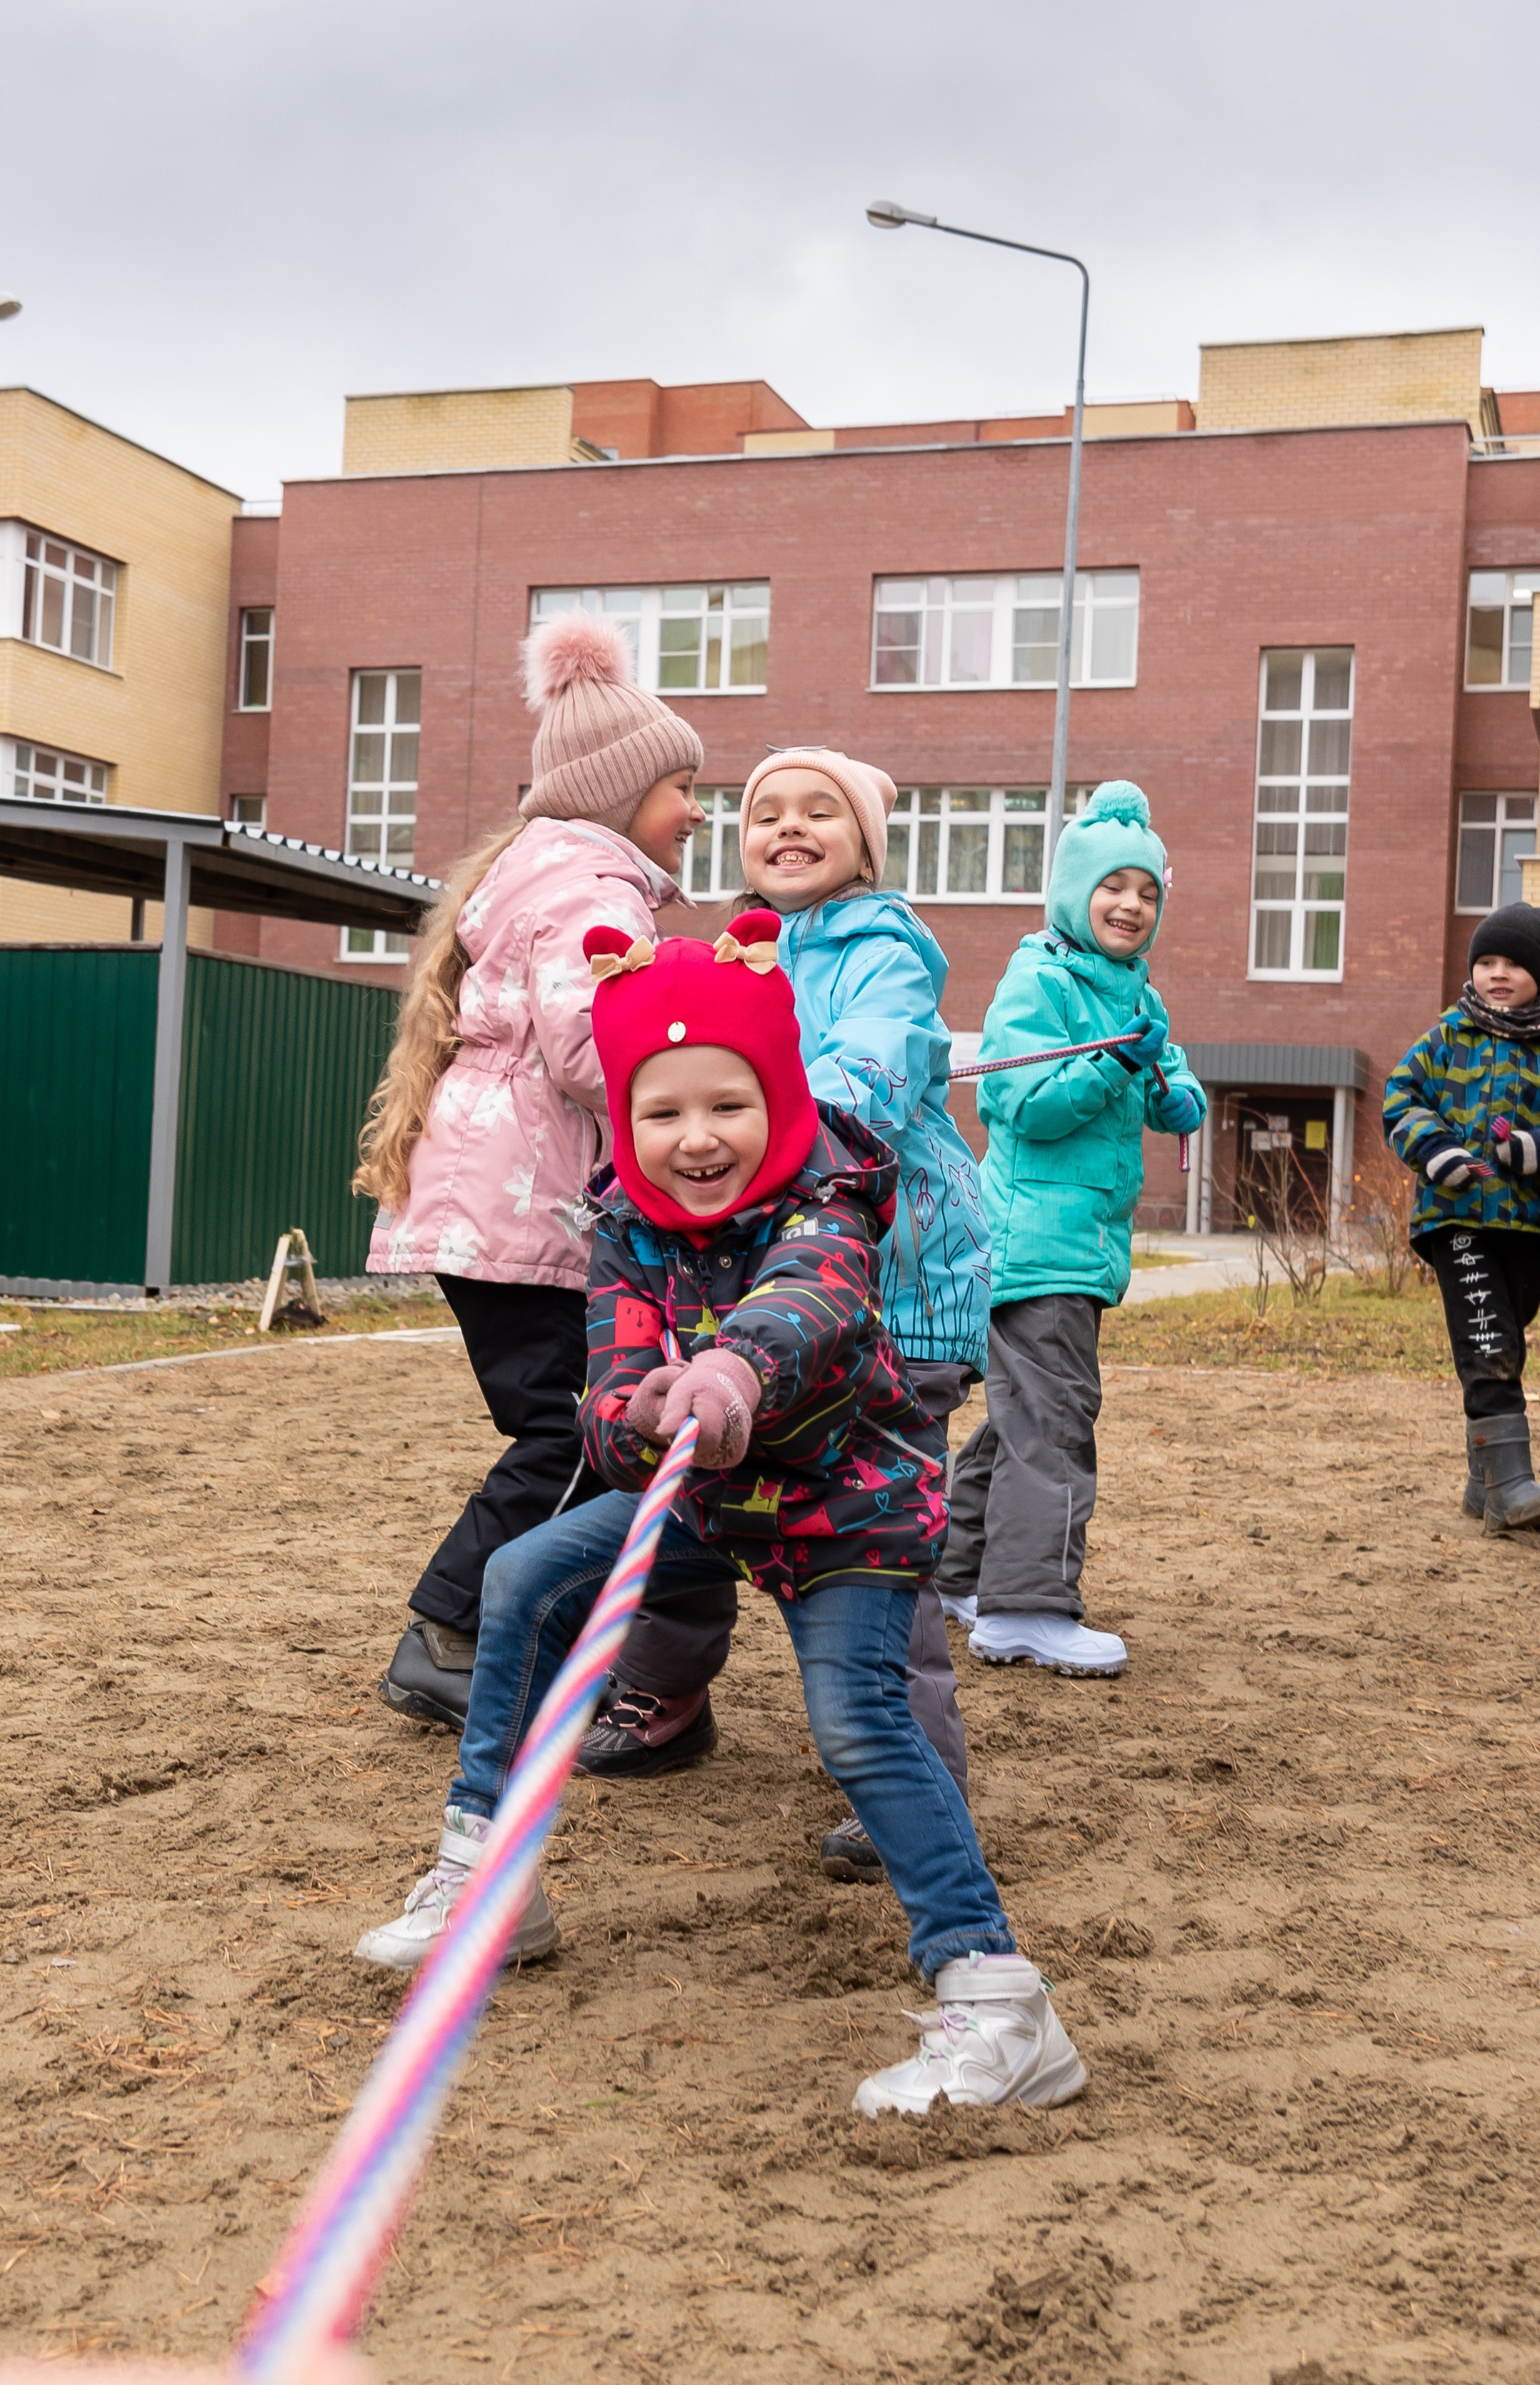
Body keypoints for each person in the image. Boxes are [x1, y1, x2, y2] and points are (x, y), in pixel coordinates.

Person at [353, 912, 1086, 2117]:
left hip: (846, 1507)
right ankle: (491, 1882)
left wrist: (734, 1372)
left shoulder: (827, 1202)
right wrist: (638, 1411)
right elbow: (604, 1390)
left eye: (728, 1103)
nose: (697, 1137)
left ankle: (1001, 2002)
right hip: (711, 1498)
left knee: (857, 1720)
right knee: (526, 1576)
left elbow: (808, 1305)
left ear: (780, 1096)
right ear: (626, 1119)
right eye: (663, 1111)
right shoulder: (627, 1230)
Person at [359, 609, 734, 1756]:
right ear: (621, 793)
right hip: (522, 1207)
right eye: (681, 786)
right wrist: (708, 1068)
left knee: (565, 1428)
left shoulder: (549, 873)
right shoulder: (592, 890)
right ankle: (449, 1634)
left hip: (496, 1199)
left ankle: (499, 1633)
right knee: (575, 1435)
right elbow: (587, 1050)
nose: (698, 808)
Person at [732, 746, 989, 1883]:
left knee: (883, 1553)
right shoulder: (754, 952)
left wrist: (758, 1125)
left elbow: (864, 1083)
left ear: (867, 846)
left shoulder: (885, 950)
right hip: (807, 1292)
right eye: (766, 812)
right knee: (800, 1529)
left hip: (902, 1297)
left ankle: (916, 1777)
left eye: (819, 811)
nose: (789, 827)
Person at [938, 781, 1204, 1677]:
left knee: (1019, 1417)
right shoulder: (1040, 979)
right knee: (1053, 1420)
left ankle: (954, 1572)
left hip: (1079, 1247)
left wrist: (1169, 1088)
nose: (1130, 905)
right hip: (1037, 1243)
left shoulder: (1132, 990)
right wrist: (1111, 1067)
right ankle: (1026, 1607)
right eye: (1112, 887)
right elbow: (1020, 1103)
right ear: (1072, 891)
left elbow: (1173, 1078)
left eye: (1147, 892)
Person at [1382, 899, 1540, 1534]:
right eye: (1487, 961)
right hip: (1457, 1217)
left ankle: (1485, 1484)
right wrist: (1435, 1149)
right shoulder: (1447, 1036)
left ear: (1539, 976)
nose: (1498, 973)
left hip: (1529, 1224)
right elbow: (1400, 1098)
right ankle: (1512, 1486)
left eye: (1514, 964)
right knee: (1487, 1336)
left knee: (1507, 1335)